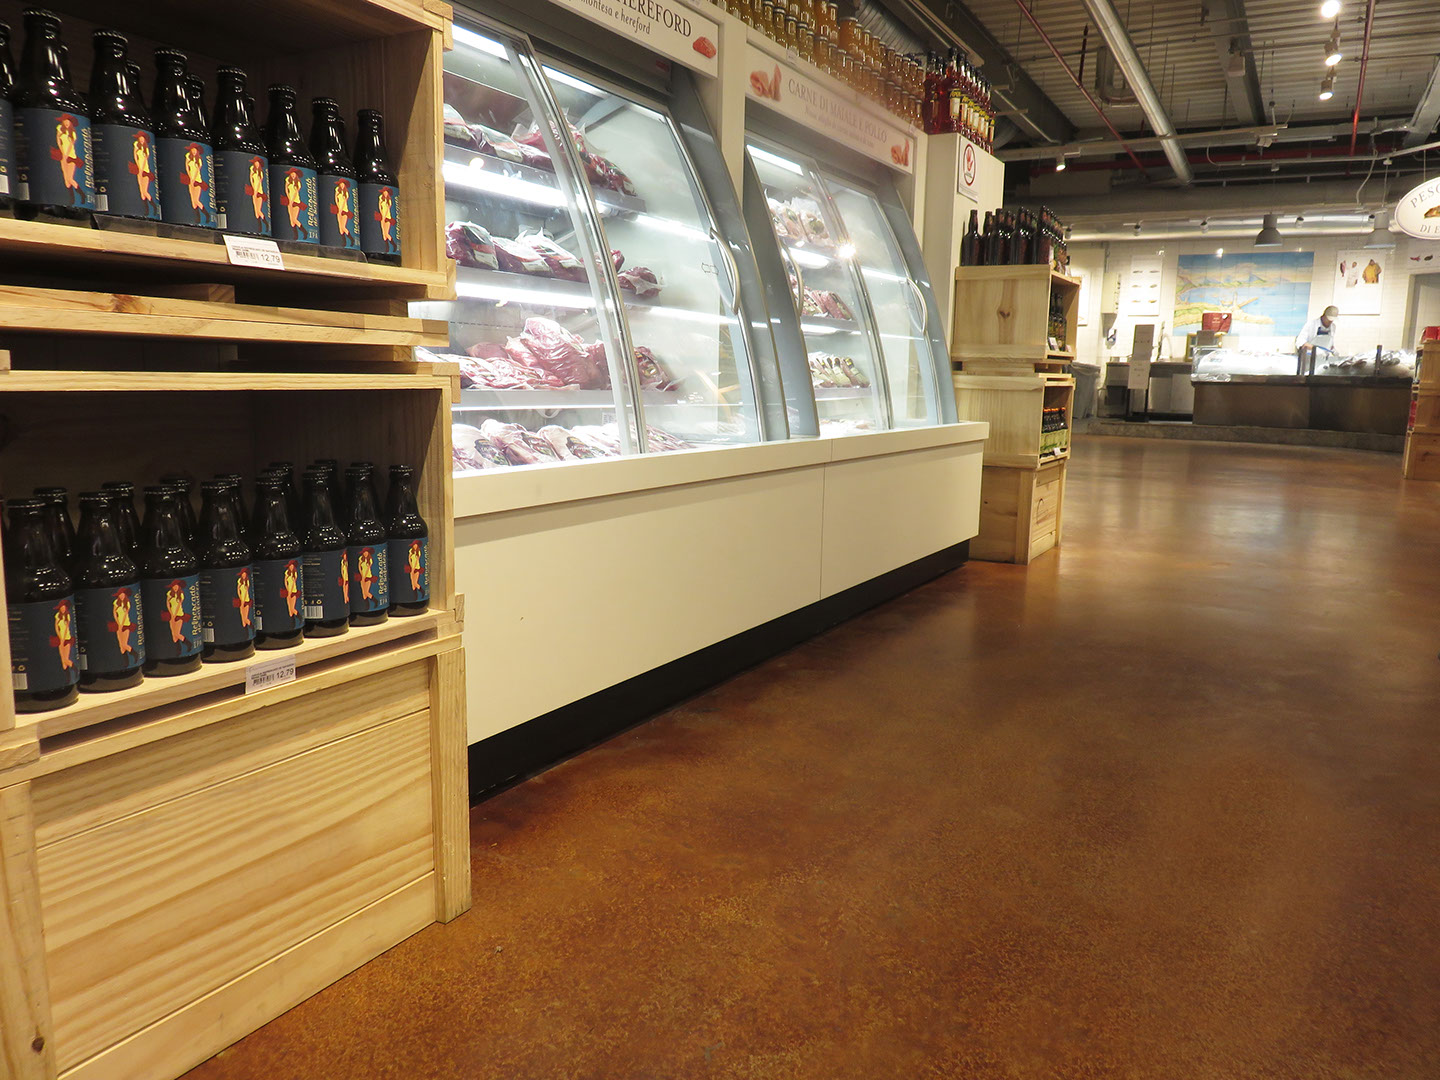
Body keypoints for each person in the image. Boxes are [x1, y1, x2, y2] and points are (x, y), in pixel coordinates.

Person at [1296, 305, 1339, 374]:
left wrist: (1333, 350)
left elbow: (1329, 343)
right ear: (1324, 316)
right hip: (1308, 361)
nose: (1330, 322)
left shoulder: (1333, 327)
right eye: (1328, 320)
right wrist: (1315, 350)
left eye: (1331, 320)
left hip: (1323, 362)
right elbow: (1300, 342)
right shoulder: (1311, 324)